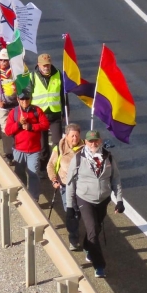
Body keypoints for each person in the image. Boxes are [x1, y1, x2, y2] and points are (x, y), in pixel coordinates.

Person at [65, 130, 124, 279]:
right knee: (92, 231)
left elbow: (115, 179)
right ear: (85, 142)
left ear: (100, 141)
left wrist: (120, 200)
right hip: (84, 198)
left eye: (96, 141)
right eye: (90, 141)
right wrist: (70, 206)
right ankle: (99, 266)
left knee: (96, 229)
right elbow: (70, 183)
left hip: (103, 199)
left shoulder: (108, 156)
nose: (93, 144)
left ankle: (87, 247)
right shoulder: (79, 158)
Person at [5, 90, 49, 203]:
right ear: (18, 100)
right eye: (22, 99)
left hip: (34, 150)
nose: (25, 101)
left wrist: (31, 127)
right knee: (20, 173)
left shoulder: (37, 111)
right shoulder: (13, 113)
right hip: (18, 150)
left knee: (33, 173)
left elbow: (45, 125)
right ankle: (22, 195)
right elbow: (8, 131)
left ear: (30, 99)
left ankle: (34, 198)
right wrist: (19, 124)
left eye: (27, 99)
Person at [46, 123, 83, 250]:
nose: (75, 139)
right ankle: (73, 239)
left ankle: (75, 231)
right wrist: (53, 179)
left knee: (77, 212)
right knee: (70, 212)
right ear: (66, 136)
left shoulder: (85, 148)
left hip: (82, 187)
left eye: (77, 136)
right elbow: (50, 165)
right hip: (65, 186)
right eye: (72, 136)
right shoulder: (59, 148)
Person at [29, 53, 67, 165]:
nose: (46, 67)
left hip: (55, 114)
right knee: (42, 144)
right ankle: (43, 167)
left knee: (57, 142)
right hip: (39, 116)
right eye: (44, 65)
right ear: (39, 65)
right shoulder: (32, 76)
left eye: (48, 65)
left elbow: (63, 96)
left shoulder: (58, 74)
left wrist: (64, 113)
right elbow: (28, 96)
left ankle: (56, 165)